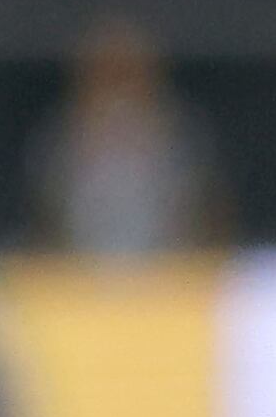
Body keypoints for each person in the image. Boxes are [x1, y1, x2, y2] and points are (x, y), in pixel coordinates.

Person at [26, 15, 227, 257]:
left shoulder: (183, 136)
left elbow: (210, 217)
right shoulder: (60, 140)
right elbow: (43, 225)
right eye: (106, 70)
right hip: (76, 273)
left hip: (172, 271)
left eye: (126, 71)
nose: (118, 84)